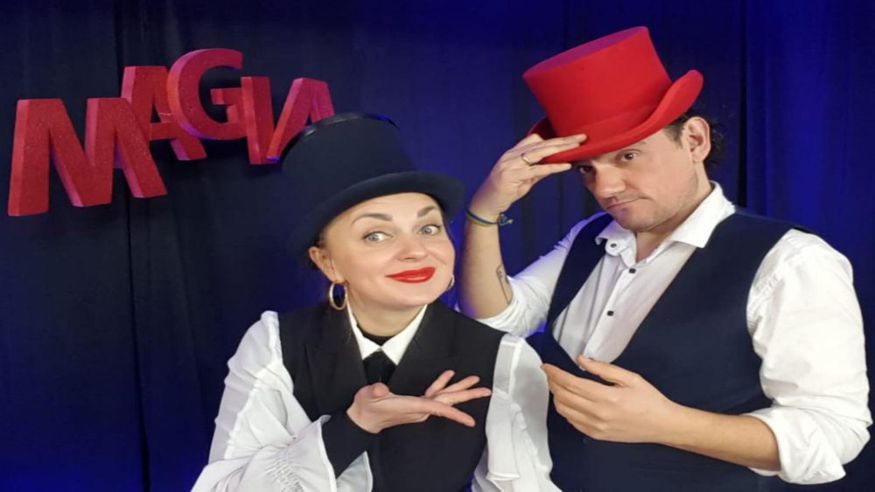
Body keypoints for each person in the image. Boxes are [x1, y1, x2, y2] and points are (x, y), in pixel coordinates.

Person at [459, 26, 870, 491]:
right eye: (588, 169)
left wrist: (668, 424)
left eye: (628, 156)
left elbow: (835, 432)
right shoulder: (589, 238)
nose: (605, 188)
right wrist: (484, 212)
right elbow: (496, 322)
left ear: (694, 140)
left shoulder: (791, 262)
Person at [192, 113, 558, 491]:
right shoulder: (275, 344)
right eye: (376, 235)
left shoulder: (503, 358)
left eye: (428, 228)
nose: (416, 251)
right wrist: (352, 427)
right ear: (328, 262)